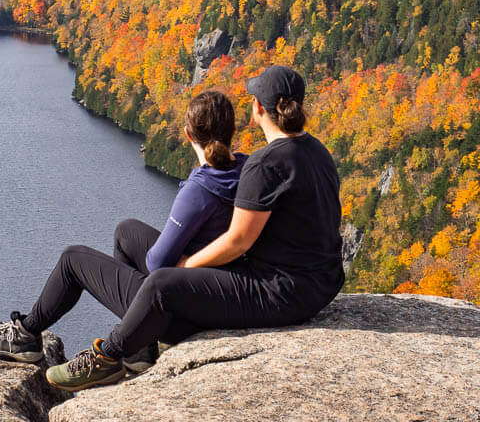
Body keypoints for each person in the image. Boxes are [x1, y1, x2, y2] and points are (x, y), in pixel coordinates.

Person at [36, 65, 345, 392]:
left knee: (161, 283)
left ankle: (109, 357)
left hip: (281, 291)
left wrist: (188, 266)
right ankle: (141, 342)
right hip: (318, 284)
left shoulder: (265, 164)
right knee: (128, 234)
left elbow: (238, 241)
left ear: (257, 110)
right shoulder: (316, 151)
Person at [0, 90, 248, 388]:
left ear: (187, 134)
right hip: (215, 296)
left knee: (73, 259)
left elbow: (157, 264)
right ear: (234, 130)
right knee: (126, 232)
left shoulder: (200, 189)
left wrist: (179, 254)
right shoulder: (247, 170)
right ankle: (141, 345)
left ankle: (26, 335)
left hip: (180, 311)